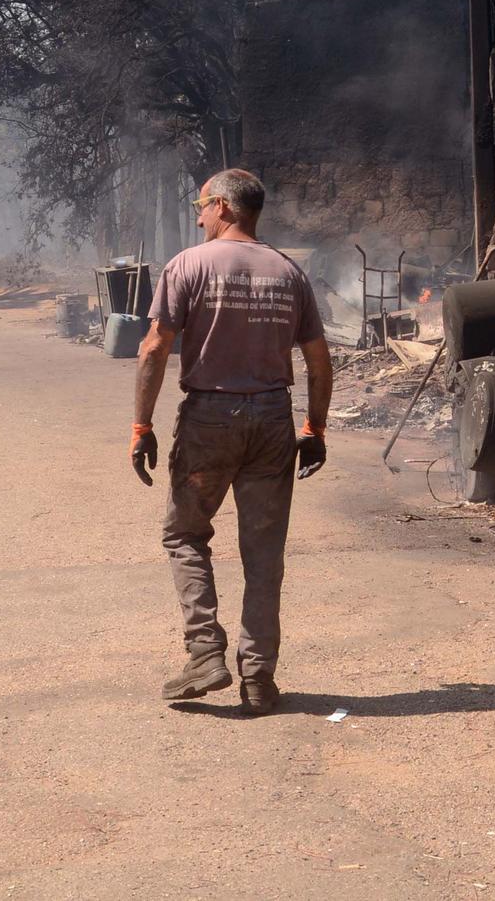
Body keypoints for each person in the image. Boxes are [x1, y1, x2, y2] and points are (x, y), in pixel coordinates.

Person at [128, 168, 332, 714]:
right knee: (264, 555)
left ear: (222, 206)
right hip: (272, 421)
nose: (198, 217)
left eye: (202, 207)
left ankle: (204, 653)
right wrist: (314, 428)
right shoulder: (289, 273)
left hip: (209, 421)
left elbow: (153, 348)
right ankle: (259, 678)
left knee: (184, 535)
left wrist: (141, 426)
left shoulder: (189, 265)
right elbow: (317, 358)